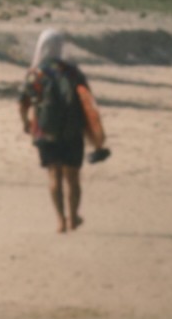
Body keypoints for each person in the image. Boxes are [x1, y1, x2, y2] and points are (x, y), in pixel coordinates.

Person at [22, 28, 111, 232]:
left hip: (46, 132)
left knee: (54, 175)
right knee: (72, 177)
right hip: (72, 131)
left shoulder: (37, 73)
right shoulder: (73, 72)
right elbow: (87, 101)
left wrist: (25, 123)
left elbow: (23, 101)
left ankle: (60, 220)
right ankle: (73, 217)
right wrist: (94, 133)